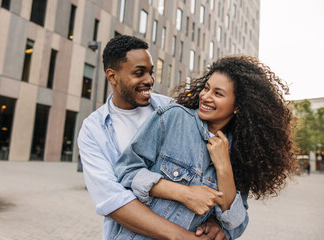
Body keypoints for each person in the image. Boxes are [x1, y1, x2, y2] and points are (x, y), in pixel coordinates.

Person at [114, 55, 299, 239]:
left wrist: (224, 166)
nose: (205, 96)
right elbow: (126, 171)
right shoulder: (173, 118)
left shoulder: (242, 152)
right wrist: (184, 193)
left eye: (218, 94)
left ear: (238, 106)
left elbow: (236, 222)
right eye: (206, 88)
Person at [78, 35, 227, 240]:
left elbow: (206, 172)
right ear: (112, 76)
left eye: (150, 72)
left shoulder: (174, 110)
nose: (149, 80)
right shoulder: (93, 130)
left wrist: (214, 221)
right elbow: (112, 200)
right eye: (139, 73)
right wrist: (183, 236)